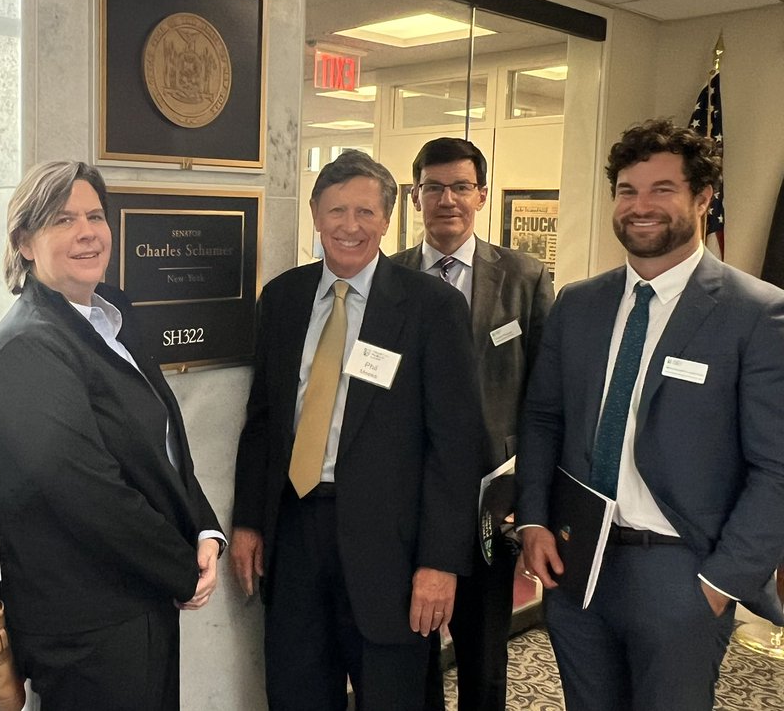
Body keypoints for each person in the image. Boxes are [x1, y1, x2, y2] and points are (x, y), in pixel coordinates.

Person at [517, 118, 784, 711]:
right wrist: (533, 519)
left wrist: (720, 584)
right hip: (576, 561)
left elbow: (778, 469)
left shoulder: (757, 315)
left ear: (703, 199)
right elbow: (542, 419)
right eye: (627, 191)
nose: (641, 207)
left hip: (680, 569)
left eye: (662, 190)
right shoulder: (579, 302)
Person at [232, 149, 487, 711]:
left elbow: (455, 446)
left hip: (389, 552)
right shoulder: (282, 299)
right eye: (337, 211)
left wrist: (440, 562)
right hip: (295, 533)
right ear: (316, 216)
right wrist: (249, 521)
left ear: (389, 219)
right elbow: (262, 425)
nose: (350, 226)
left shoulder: (430, 307)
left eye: (366, 213)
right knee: (296, 691)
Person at [0, 160, 224, 711]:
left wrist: (205, 528)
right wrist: (181, 567)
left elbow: (163, 447)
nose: (87, 232)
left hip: (136, 603)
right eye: (63, 220)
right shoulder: (28, 347)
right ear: (24, 242)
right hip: (85, 627)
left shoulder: (112, 316)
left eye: (95, 215)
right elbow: (87, 490)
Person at [392, 137, 554, 711]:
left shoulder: (525, 278)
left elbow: (543, 399)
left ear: (481, 195)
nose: (447, 199)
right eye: (432, 187)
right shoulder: (388, 278)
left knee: (484, 654)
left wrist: (532, 501)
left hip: (492, 501)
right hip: (408, 499)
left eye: (460, 186)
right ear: (416, 196)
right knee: (413, 648)